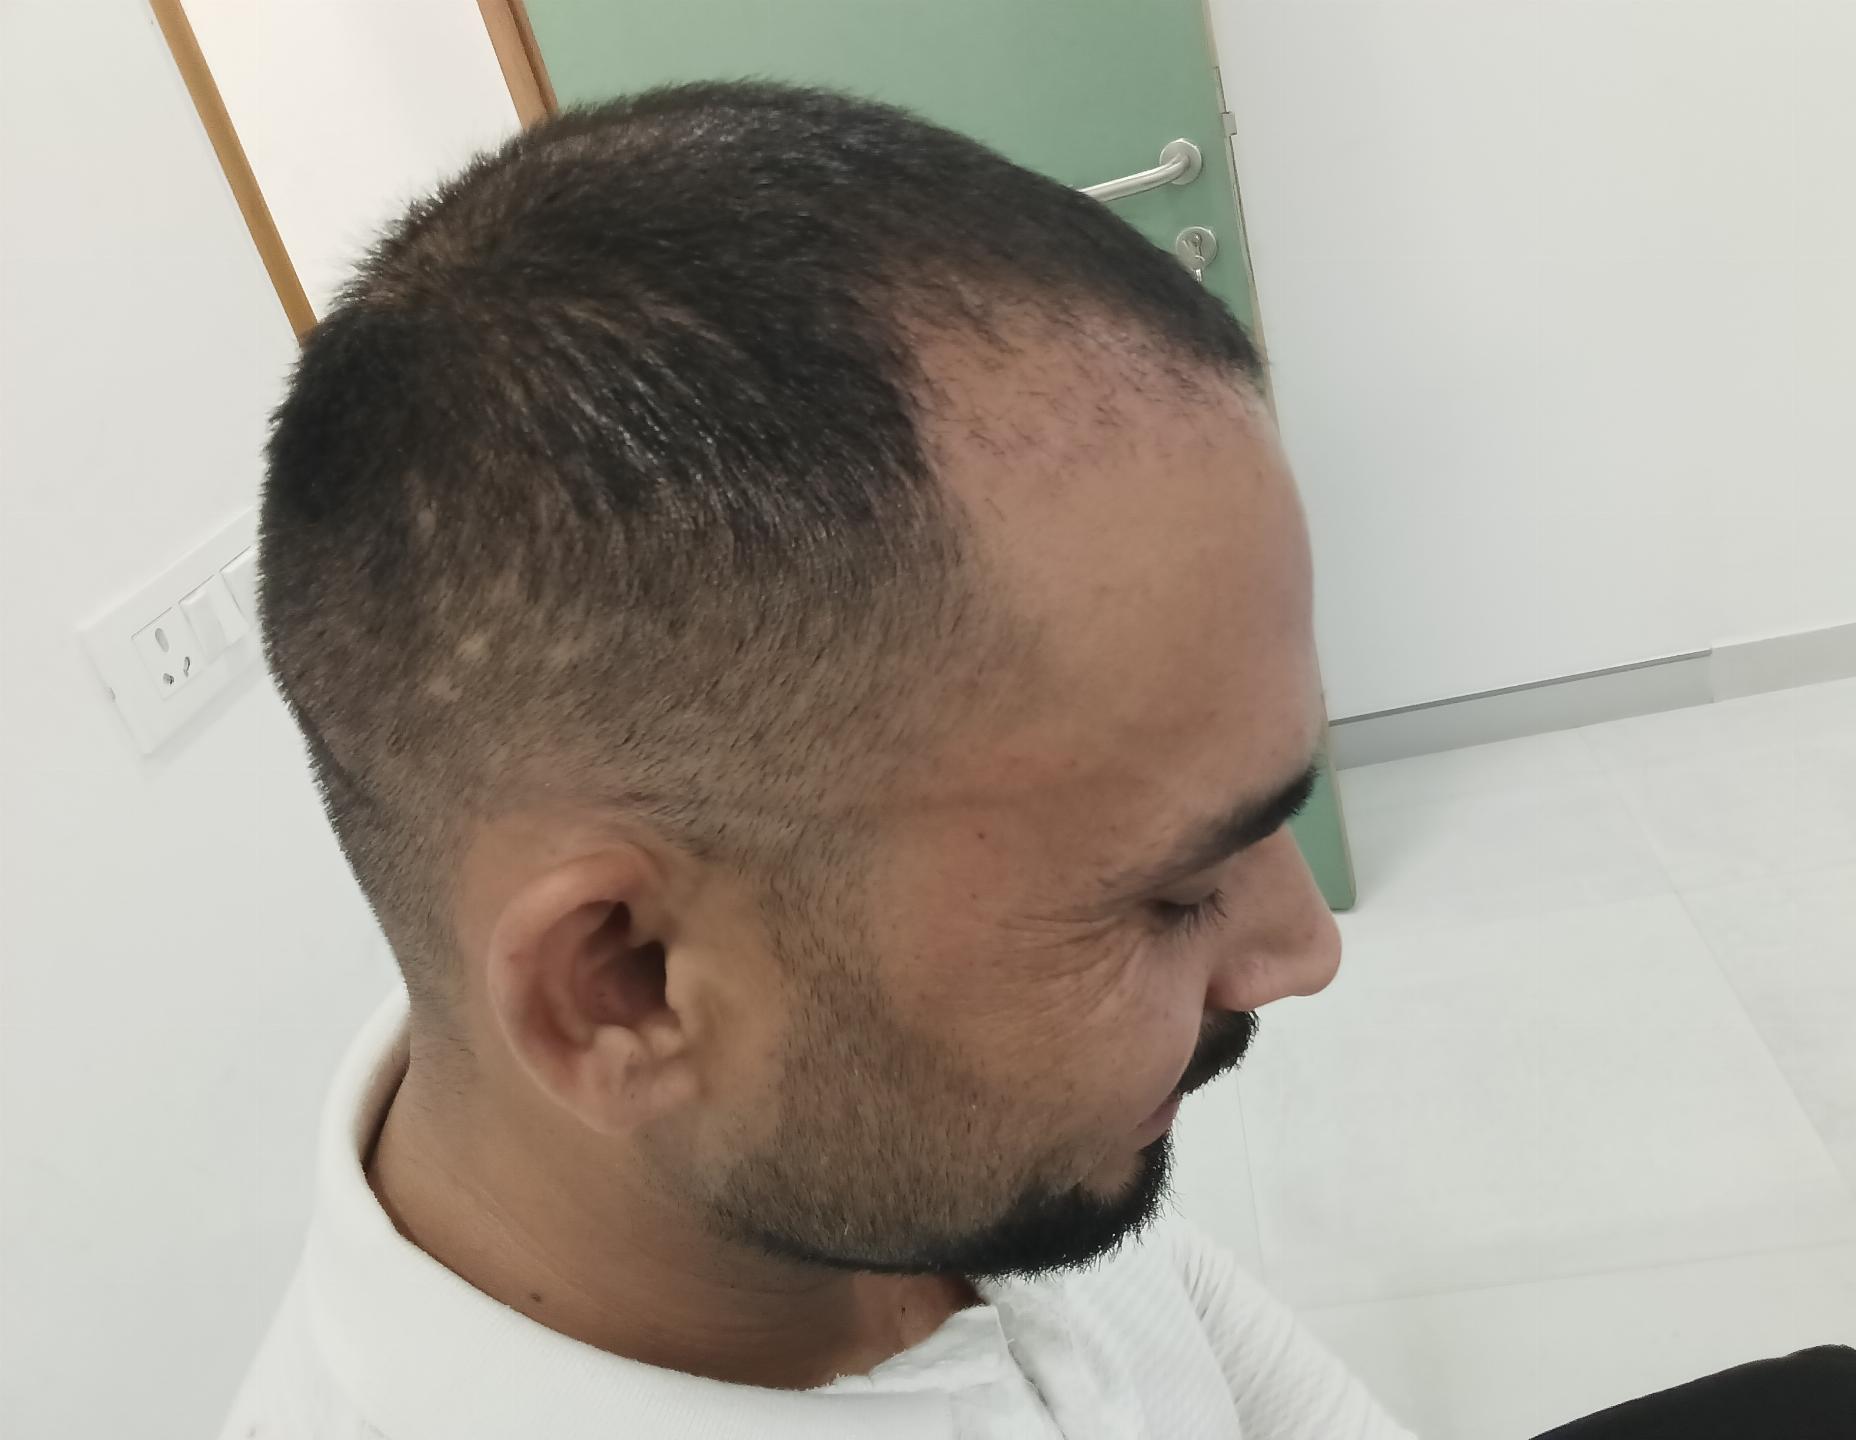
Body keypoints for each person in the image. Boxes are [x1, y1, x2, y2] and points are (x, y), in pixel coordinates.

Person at [220, 79, 1411, 1440]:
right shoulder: (911, 1122)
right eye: (1172, 895)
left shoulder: (892, 1142)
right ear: (625, 985)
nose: (1304, 949)